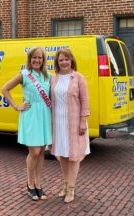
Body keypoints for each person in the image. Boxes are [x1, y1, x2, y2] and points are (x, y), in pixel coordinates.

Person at [1, 47, 52, 201]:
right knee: (34, 152)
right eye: (34, 58)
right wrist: (16, 106)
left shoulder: (48, 76)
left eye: (40, 58)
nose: (37, 60)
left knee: (42, 151)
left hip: (44, 115)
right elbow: (5, 89)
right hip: (30, 115)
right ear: (30, 59)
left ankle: (38, 184)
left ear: (43, 60)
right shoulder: (24, 75)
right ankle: (30, 184)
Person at [50, 48, 90, 203]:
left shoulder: (79, 78)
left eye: (67, 59)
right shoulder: (53, 78)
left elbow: (85, 101)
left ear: (72, 61)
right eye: (61, 60)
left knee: (73, 156)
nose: (64, 62)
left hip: (74, 122)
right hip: (58, 122)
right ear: (57, 62)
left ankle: (71, 189)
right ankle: (65, 185)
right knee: (62, 155)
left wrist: (83, 121)